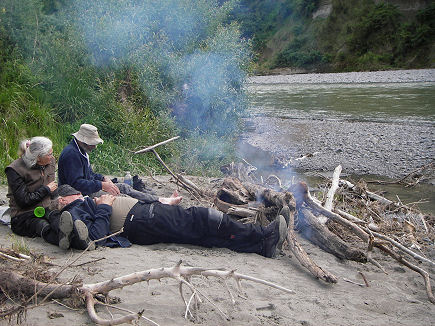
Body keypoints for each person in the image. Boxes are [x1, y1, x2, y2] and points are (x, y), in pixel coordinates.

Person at [54, 184, 288, 258]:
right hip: (141, 220)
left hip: (145, 217)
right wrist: (104, 206)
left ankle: (260, 246)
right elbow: (96, 236)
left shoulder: (80, 206)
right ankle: (261, 234)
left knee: (205, 236)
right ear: (64, 200)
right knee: (201, 217)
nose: (80, 194)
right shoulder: (75, 211)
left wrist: (160, 201)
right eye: (74, 194)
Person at [5, 137, 91, 250]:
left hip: (46, 208)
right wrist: (46, 190)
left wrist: (59, 200)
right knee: (42, 225)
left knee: (57, 218)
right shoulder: (14, 170)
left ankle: (74, 237)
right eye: (49, 155)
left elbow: (53, 191)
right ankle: (76, 242)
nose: (52, 157)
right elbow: (23, 201)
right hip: (23, 216)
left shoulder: (50, 163)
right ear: (38, 158)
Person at [57, 124, 158, 202]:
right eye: (93, 144)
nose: (95, 147)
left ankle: (158, 199)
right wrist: (101, 185)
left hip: (88, 189)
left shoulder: (81, 150)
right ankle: (152, 203)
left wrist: (102, 178)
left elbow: (89, 174)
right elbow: (76, 184)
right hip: (78, 194)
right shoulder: (72, 155)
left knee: (124, 187)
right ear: (83, 141)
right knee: (121, 196)